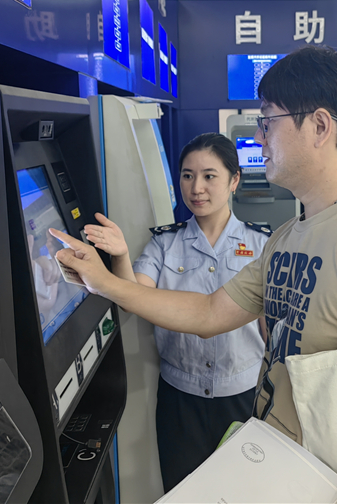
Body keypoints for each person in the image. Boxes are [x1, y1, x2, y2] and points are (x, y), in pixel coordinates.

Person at [52, 45, 337, 504]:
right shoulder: (285, 238)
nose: (259, 138)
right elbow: (208, 312)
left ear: (320, 126)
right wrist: (104, 281)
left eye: (267, 122)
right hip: (283, 472)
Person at [82, 133, 269, 492]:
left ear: (234, 180)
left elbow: (270, 330)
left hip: (244, 396)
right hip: (180, 399)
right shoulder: (164, 243)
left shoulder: (262, 244)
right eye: (187, 175)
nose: (196, 188)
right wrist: (120, 255)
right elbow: (133, 296)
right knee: (184, 492)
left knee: (245, 493)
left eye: (209, 176)